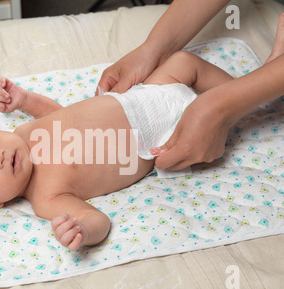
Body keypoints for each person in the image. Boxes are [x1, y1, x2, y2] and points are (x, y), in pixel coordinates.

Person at [0, 17, 284, 251]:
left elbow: (58, 114)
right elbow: (99, 221)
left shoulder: (25, 133)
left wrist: (26, 99)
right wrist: (79, 229)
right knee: (201, 132)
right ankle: (259, 94)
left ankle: (256, 84)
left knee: (183, 63)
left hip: (142, 96)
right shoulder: (46, 198)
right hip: (164, 136)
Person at [97, 0, 284, 171]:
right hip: (162, 134)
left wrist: (224, 105)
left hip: (151, 106)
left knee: (183, 63)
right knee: (181, 63)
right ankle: (267, 74)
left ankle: (266, 77)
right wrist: (153, 48)